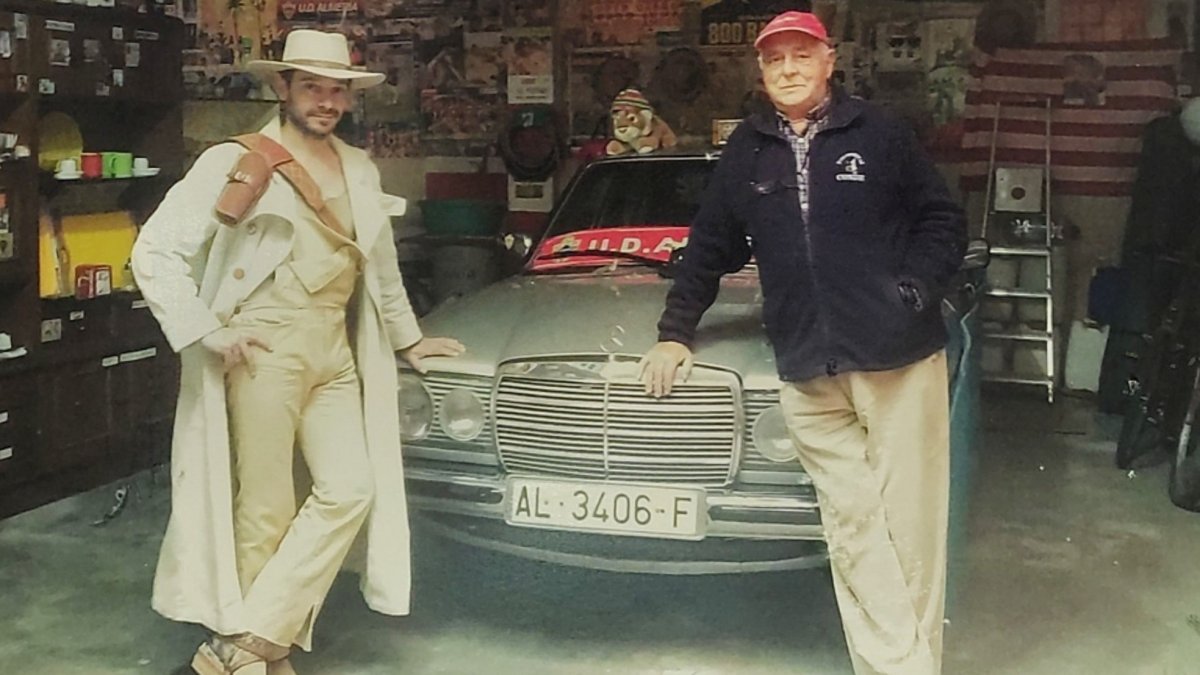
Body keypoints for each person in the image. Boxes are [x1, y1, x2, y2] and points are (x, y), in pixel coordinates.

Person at [639, 11, 966, 675]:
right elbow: (709, 246)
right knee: (852, 524)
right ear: (760, 72)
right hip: (808, 369)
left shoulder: (878, 133)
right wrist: (676, 332)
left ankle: (902, 666)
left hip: (897, 358)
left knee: (909, 527)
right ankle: (902, 664)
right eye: (774, 59)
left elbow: (941, 217)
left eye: (800, 55)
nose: (787, 69)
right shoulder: (747, 151)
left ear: (828, 60)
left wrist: (915, 290)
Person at [131, 29, 464, 674]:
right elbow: (155, 250)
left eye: (338, 89)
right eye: (312, 86)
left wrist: (410, 339)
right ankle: (266, 658)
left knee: (351, 490)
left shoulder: (360, 167)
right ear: (282, 87)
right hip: (264, 347)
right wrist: (204, 329)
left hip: (333, 351)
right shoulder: (238, 159)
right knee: (266, 509)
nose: (327, 100)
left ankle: (245, 646)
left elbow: (382, 267)